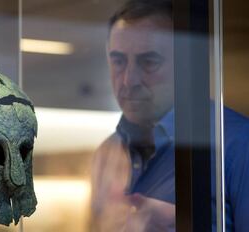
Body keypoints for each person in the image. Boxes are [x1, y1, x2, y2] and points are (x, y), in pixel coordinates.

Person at [90, 0, 249, 231]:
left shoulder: (237, 144)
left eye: (149, 62)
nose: (129, 80)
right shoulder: (106, 154)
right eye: (119, 61)